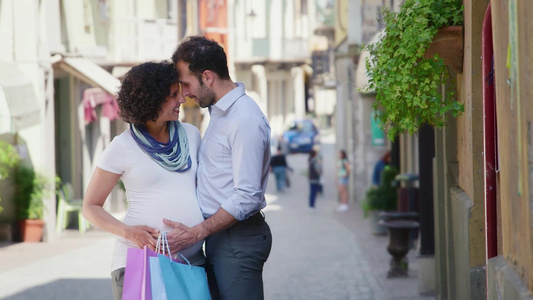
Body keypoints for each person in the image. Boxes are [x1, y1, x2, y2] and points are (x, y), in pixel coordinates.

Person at [81, 61, 206, 300]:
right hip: (140, 263)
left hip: (191, 263)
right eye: (172, 95)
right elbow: (90, 206)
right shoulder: (123, 146)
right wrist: (129, 232)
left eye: (179, 91)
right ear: (150, 100)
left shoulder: (192, 135)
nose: (181, 99)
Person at [164, 36, 273, 300]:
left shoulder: (243, 119)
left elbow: (247, 196)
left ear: (208, 77)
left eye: (186, 84)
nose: (185, 93)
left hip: (236, 238)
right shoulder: (221, 112)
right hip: (222, 237)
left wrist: (196, 233)